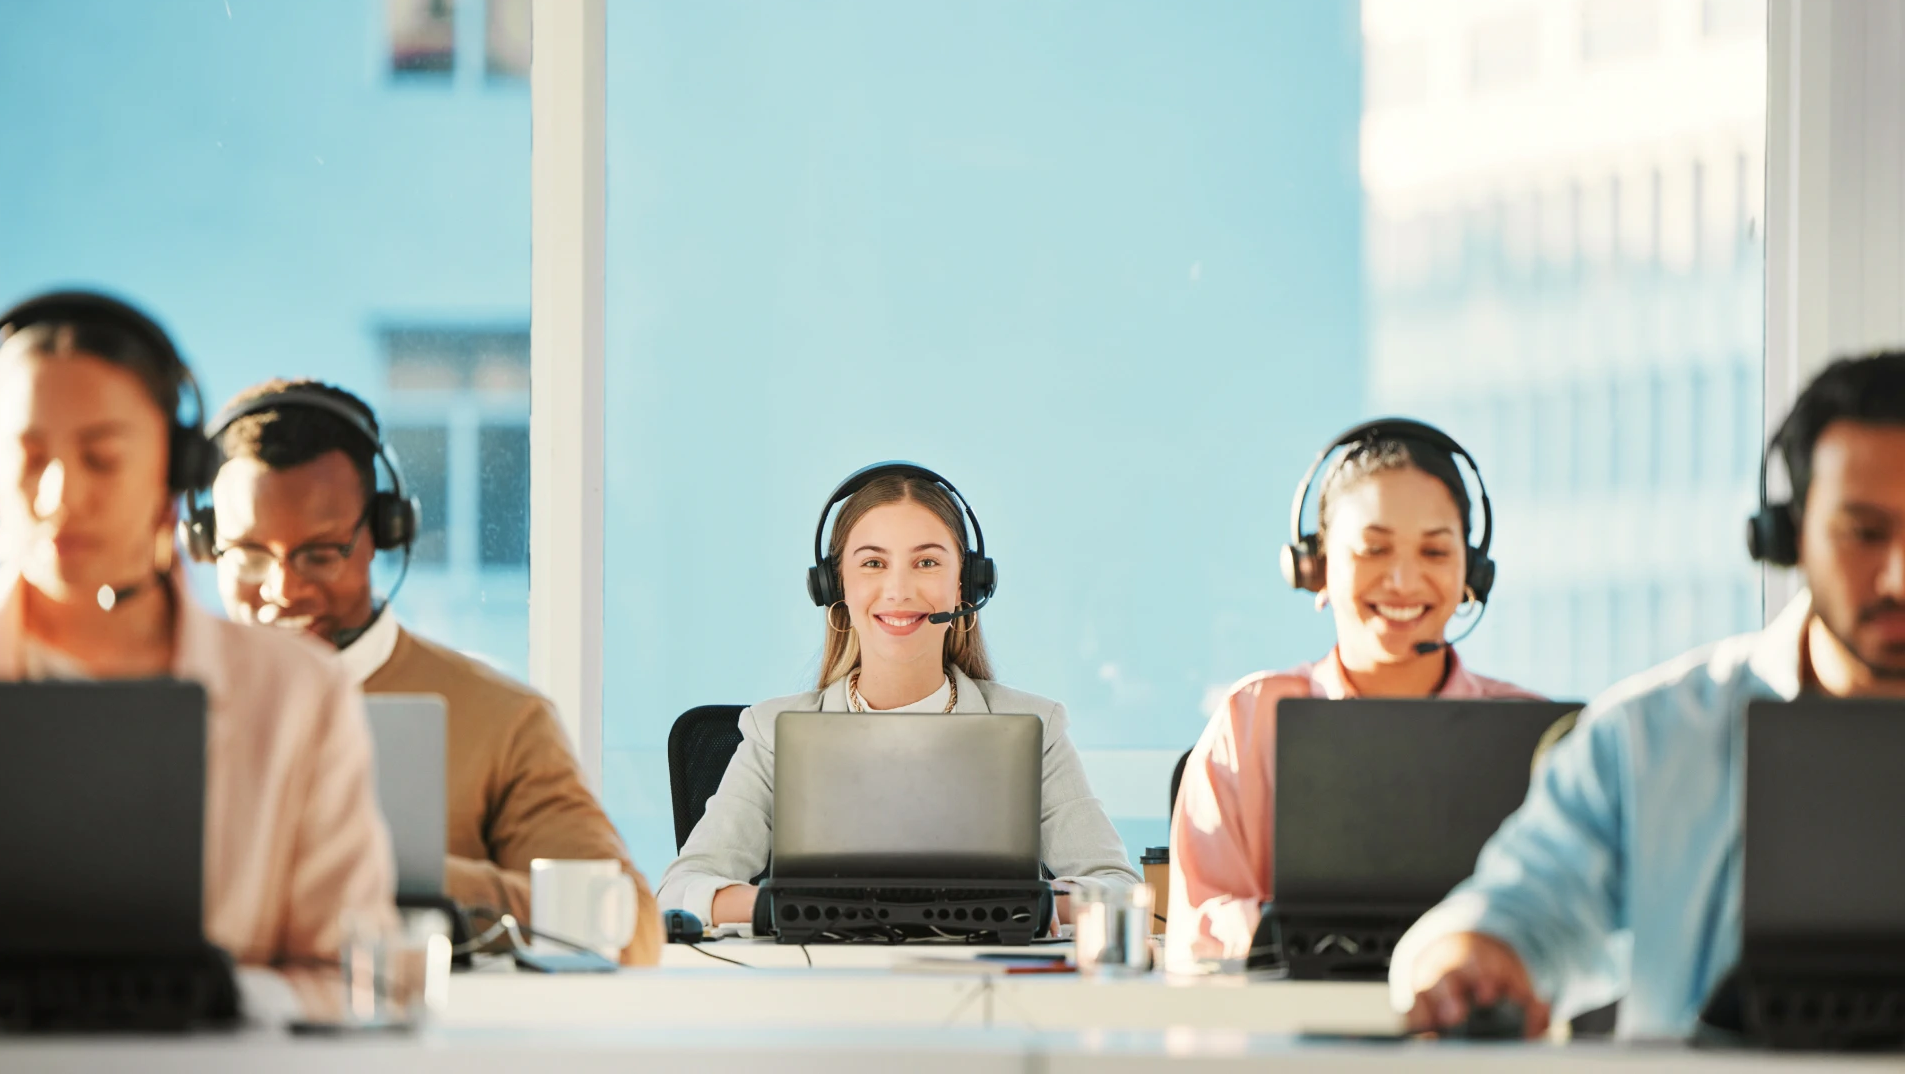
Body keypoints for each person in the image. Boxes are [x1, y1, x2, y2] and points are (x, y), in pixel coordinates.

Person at [1391, 351, 1905, 1039]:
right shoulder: (1653, 734)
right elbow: (1520, 909)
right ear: (1789, 536)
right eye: (1864, 534)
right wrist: (1474, 962)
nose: (1899, 577)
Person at [0, 292, 394, 1016]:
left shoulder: (297, 694)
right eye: (27, 455)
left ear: (174, 472)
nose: (58, 495)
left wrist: (222, 1001)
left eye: (102, 458)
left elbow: (355, 980)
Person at [199, 378, 660, 965]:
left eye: (320, 553)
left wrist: (387, 876)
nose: (282, 588)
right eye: (249, 553)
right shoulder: (155, 703)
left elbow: (631, 928)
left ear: (384, 535)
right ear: (205, 544)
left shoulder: (502, 719)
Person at [657, 462, 1140, 925]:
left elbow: (1116, 888)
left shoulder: (1036, 725)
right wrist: (794, 907)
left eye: (927, 561)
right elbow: (680, 892)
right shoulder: (772, 733)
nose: (898, 589)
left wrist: (1030, 904)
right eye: (872, 563)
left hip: (977, 991)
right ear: (834, 585)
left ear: (965, 585)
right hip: (825, 993)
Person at [1168, 420, 1540, 970]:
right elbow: (1200, 929)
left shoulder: (1533, 735)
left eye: (1435, 553)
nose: (1403, 580)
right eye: (1374, 549)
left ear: (1471, 573)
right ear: (1315, 568)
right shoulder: (1251, 720)